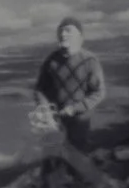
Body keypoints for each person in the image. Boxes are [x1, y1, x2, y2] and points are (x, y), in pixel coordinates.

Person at [34, 17, 106, 154]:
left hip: (80, 120)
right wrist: (45, 111)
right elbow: (40, 89)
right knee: (50, 155)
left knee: (77, 157)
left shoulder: (89, 61)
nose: (63, 34)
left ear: (79, 36)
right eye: (60, 31)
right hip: (54, 119)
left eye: (68, 30)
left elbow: (98, 92)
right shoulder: (51, 60)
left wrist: (75, 108)